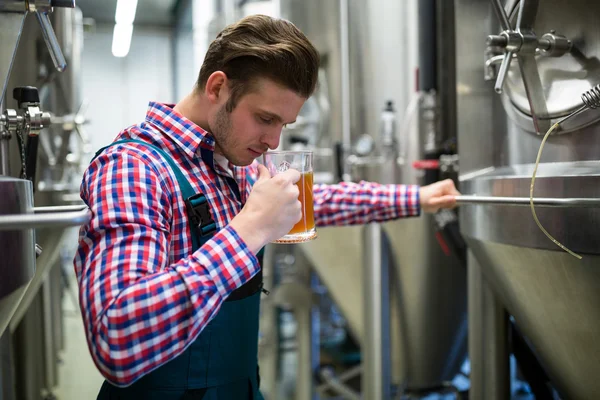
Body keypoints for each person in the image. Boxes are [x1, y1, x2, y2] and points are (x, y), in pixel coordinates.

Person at [74, 14, 460, 400]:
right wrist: (251, 230)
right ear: (218, 87)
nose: (273, 142)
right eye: (265, 118)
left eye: (284, 125)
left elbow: (310, 202)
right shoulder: (134, 168)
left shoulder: (228, 163)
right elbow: (117, 339)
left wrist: (416, 198)